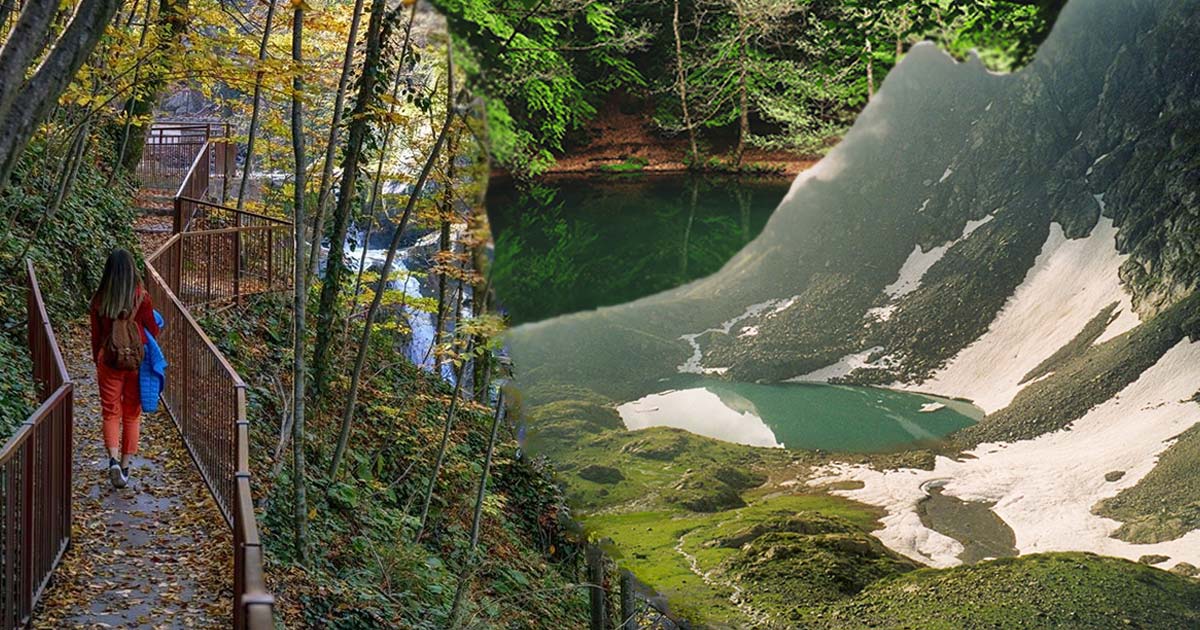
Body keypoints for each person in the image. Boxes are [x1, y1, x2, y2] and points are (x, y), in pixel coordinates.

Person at [90, 249, 159, 489]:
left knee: (111, 412)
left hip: (109, 361)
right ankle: (126, 465)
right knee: (132, 413)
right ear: (132, 270)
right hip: (136, 362)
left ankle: (112, 461)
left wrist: (96, 358)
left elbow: (96, 335)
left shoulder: (100, 299)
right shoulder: (142, 297)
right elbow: (154, 329)